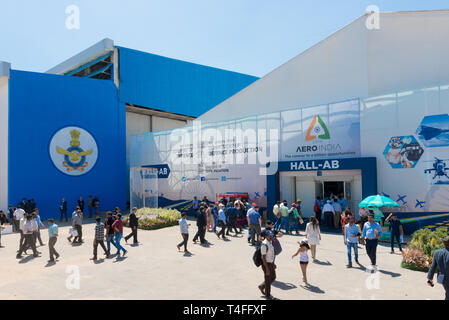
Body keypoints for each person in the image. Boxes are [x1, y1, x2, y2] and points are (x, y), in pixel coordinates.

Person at [258, 230, 276, 300]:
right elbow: (263, 257)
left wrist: (273, 263)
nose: (271, 237)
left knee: (273, 277)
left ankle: (262, 286)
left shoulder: (270, 242)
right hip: (266, 264)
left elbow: (271, 254)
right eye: (269, 236)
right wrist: (267, 269)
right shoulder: (264, 244)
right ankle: (267, 296)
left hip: (271, 263)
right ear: (265, 236)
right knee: (268, 280)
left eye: (271, 235)